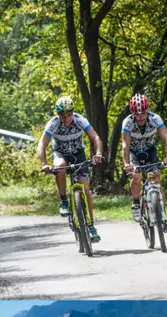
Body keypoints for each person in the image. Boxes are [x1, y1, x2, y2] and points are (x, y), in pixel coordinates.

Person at [38, 95, 105, 243]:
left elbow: (95, 138)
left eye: (68, 115)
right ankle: (63, 201)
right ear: (58, 114)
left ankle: (91, 225)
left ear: (72, 113)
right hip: (60, 153)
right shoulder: (53, 123)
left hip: (78, 154)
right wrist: (44, 164)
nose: (66, 119)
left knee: (85, 185)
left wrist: (98, 154)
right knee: (59, 166)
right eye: (62, 115)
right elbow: (42, 144)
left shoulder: (80, 120)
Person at [121, 93, 167, 229]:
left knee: (156, 179)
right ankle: (136, 202)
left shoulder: (155, 119)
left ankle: (162, 216)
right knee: (136, 176)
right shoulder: (127, 122)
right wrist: (126, 164)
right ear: (132, 113)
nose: (140, 118)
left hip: (150, 152)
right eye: (137, 115)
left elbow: (166, 138)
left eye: (143, 114)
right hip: (134, 153)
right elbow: (125, 145)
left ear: (147, 111)